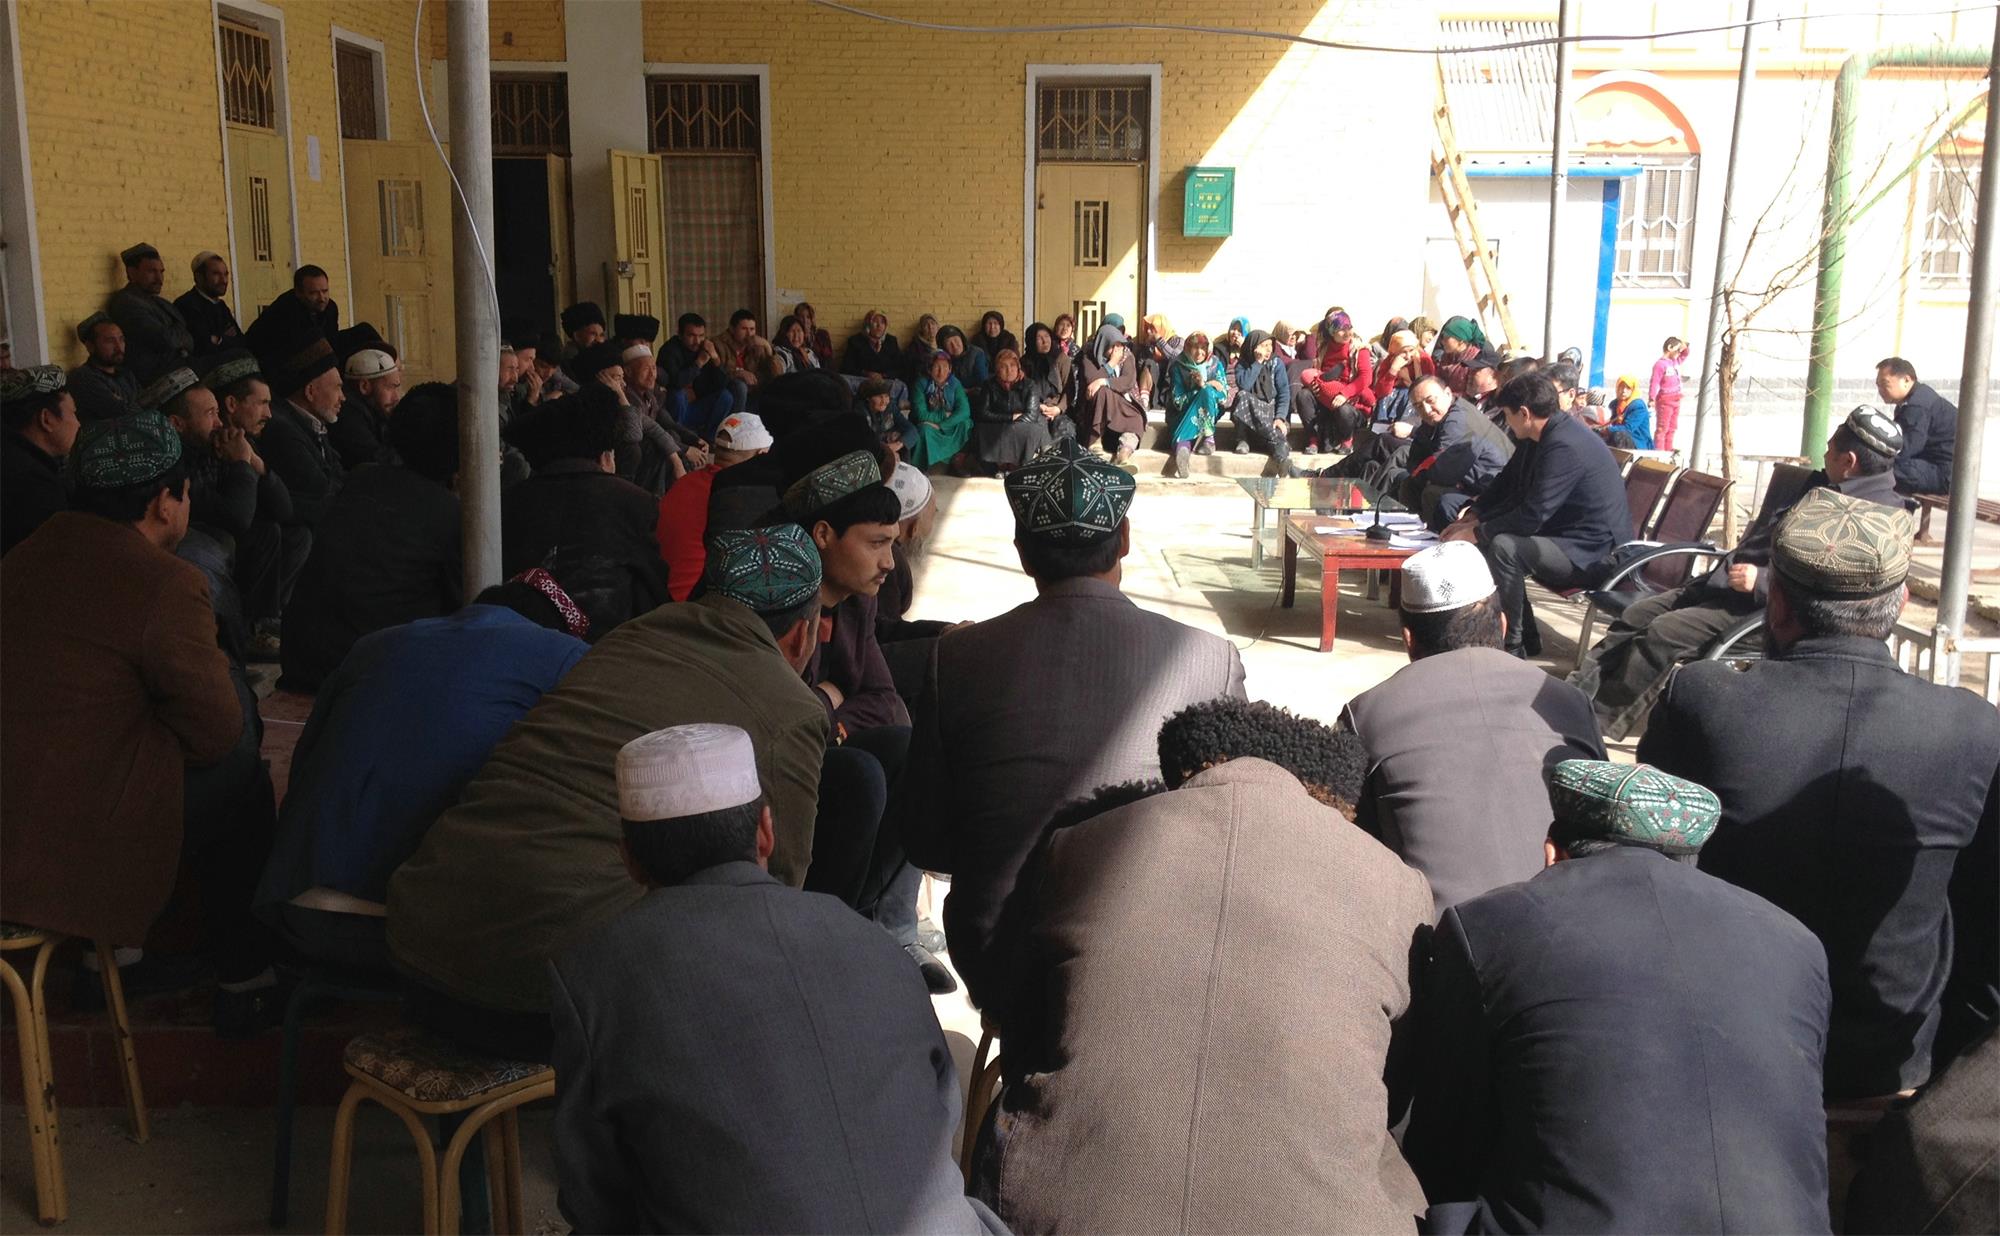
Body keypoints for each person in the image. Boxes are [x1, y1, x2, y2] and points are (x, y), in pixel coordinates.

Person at [974, 700, 1431, 1234]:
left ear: (1185, 769)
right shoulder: (1398, 885)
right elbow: (1398, 1088)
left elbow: (1022, 1035)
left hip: (1049, 1213)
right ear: (1336, 801)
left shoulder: (1079, 843)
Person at [386, 526, 830, 1057]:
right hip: (536, 996)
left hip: (416, 946)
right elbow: (780, 888)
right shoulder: (792, 708)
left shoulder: (624, 639)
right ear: (802, 635)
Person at [549, 723, 1003, 1235]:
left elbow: (594, 1201)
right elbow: (939, 1109)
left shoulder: (594, 975)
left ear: (629, 860)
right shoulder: (873, 941)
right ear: (765, 832)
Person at [1640, 487, 1998, 1104]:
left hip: (1722, 1044)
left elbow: (1646, 868)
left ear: (1777, 603)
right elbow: (1985, 926)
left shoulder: (1703, 699)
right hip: (1893, 1060)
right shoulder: (1973, 728)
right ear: (1899, 604)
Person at [1405, 760, 1832, 1234]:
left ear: (1552, 852)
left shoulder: (1486, 926)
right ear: (1691, 857)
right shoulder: (1798, 943)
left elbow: (1445, 1143)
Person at [902, 438, 1247, 1009]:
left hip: (1000, 958)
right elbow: (1230, 833)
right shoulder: (1210, 660)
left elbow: (926, 841)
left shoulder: (957, 657)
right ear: (1125, 539)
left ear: (1022, 553)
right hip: (1155, 958)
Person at [1, 413, 247, 1011]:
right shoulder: (165, 582)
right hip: (61, 837)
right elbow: (215, 732)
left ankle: (114, 953)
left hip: (12, 808)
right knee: (239, 777)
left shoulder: (21, 556)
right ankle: (245, 975)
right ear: (165, 503)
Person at [257, 565, 605, 972]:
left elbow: (305, 761)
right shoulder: (565, 657)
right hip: (421, 935)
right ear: (555, 630)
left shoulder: (374, 644)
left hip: (297, 910)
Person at [1574, 406, 1909, 738]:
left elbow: (1842, 590)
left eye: (1830, 448)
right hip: (1723, 585)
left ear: (1849, 461)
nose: (1824, 453)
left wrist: (1761, 582)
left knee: (1662, 634)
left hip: (1768, 611)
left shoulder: (1876, 518)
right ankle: (1575, 696)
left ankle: (1598, 722)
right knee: (1636, 615)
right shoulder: (1823, 485)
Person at [1341, 543, 1604, 912]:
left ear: (1408, 639)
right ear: (1503, 625)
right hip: (1580, 924)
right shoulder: (1569, 702)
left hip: (1442, 938)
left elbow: (1351, 850)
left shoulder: (1367, 713)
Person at [279, 383, 462, 691]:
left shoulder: (361, 479)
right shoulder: (448, 513)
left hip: (304, 661)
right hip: (368, 677)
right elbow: (467, 609)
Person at [1443, 373, 1628, 657]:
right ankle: (1525, 634)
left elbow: (1533, 514)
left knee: (1504, 546)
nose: (1507, 422)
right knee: (1487, 534)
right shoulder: (1539, 434)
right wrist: (1475, 515)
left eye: (1508, 415)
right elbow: (1508, 483)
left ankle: (1512, 643)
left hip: (1592, 552)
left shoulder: (1565, 445)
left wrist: (1478, 531)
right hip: (1563, 536)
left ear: (1524, 413)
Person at [503, 384, 667, 627]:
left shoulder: (510, 501)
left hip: (518, 635)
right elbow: (654, 591)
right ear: (605, 456)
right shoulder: (636, 503)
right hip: (605, 642)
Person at [658, 411, 773, 600]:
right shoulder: (742, 500)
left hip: (655, 594)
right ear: (761, 456)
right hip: (693, 606)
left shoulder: (684, 483)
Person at [257, 332, 347, 529]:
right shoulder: (283, 432)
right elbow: (321, 490)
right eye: (337, 388)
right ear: (310, 391)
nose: (343, 397)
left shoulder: (310, 422)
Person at [1401, 375, 1513, 528]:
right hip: (1466, 484)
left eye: (1430, 400)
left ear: (1448, 393)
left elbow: (1444, 473)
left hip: (1492, 492)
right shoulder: (1435, 418)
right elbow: (1415, 459)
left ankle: (1433, 538)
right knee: (1409, 485)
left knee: (1434, 493)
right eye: (1418, 406)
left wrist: (1422, 475)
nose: (1426, 410)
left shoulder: (1457, 420)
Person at [1, 366, 79, 554]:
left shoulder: (10, 456)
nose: (78, 423)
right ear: (47, 419)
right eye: (73, 413)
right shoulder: (35, 486)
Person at [107, 242, 195, 384]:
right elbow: (165, 340)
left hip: (181, 368)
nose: (159, 279)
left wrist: (179, 335)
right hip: (157, 375)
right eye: (151, 272)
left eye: (161, 272)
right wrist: (180, 334)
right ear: (132, 273)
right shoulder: (126, 302)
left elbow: (190, 338)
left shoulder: (161, 302)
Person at [1877, 355, 1957, 495]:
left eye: (1885, 384)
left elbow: (1904, 449)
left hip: (1944, 474)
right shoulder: (1916, 398)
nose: (1881, 390)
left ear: (1906, 380)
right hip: (1932, 464)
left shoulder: (1917, 407)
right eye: (1878, 385)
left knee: (1881, 470)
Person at [1298, 309, 1375, 455]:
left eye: (1349, 327)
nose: (1347, 333)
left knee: (1344, 410)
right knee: (1303, 395)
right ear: (1332, 332)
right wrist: (1314, 385)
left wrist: (1344, 394)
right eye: (1341, 329)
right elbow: (1319, 373)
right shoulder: (1324, 349)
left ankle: (1347, 441)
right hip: (1326, 398)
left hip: (1351, 401)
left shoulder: (1359, 350)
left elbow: (1365, 377)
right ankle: (1313, 440)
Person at [1230, 329, 1299, 475]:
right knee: (1242, 396)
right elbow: (1245, 385)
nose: (1268, 349)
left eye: (1270, 345)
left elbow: (1284, 393)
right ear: (1252, 347)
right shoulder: (1242, 364)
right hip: (1250, 417)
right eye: (1263, 345)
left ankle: (1282, 461)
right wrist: (1258, 363)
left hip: (1271, 415)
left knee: (1276, 436)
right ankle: (1242, 439)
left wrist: (1280, 418)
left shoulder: (1276, 363)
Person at [973, 347, 1054, 472]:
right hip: (999, 424)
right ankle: (998, 466)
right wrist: (1010, 418)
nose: (1009, 370)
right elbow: (983, 413)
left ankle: (1017, 465)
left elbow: (1032, 415)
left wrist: (1012, 422)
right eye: (1003, 366)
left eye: (1012, 365)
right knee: (982, 429)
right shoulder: (989, 385)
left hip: (1023, 424)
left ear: (1018, 367)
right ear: (997, 369)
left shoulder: (1029, 385)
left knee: (1030, 429)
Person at [1076, 323, 1147, 465]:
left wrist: (1105, 381)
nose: (1117, 350)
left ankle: (1124, 453)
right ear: (1103, 344)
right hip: (1096, 407)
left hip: (1120, 402)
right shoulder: (1089, 357)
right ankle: (1095, 441)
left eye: (1119, 345)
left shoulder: (1127, 356)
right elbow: (1091, 384)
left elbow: (1128, 381)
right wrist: (1111, 364)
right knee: (1101, 391)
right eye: (1113, 346)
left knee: (1136, 418)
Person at [244, 265, 340, 367]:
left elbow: (332, 340)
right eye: (313, 293)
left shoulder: (330, 308)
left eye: (325, 291)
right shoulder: (285, 310)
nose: (322, 298)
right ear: (298, 293)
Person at [1162, 330, 1227, 478]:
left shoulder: (1215, 365)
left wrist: (1204, 386)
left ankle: (1183, 445)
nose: (1199, 352)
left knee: (1207, 392)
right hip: (1182, 412)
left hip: (1210, 411)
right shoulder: (1178, 366)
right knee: (1204, 392)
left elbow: (1223, 397)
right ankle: (1200, 443)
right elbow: (1178, 401)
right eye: (1195, 348)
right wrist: (1198, 389)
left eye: (1203, 348)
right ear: (1187, 348)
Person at [656, 312, 734, 436]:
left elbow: (722, 384)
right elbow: (676, 383)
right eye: (691, 335)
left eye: (701, 336)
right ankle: (678, 437)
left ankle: (709, 438)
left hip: (697, 404)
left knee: (726, 396)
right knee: (678, 395)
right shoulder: (669, 350)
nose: (697, 341)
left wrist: (715, 357)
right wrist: (698, 363)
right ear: (680, 335)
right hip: (674, 409)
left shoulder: (705, 348)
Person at [327, 345, 402, 470]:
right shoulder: (348, 415)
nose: (396, 397)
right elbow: (379, 462)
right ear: (364, 386)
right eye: (390, 387)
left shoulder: (375, 411)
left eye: (396, 388)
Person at [68, 313, 143, 421]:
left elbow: (145, 403)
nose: (118, 347)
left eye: (121, 339)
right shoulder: (83, 378)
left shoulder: (126, 375)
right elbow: (122, 413)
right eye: (110, 341)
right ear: (90, 346)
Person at [908, 348, 972, 473]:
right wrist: (944, 415)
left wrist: (941, 425)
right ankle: (922, 467)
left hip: (945, 424)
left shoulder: (955, 383)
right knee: (924, 430)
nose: (941, 372)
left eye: (945, 367)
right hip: (928, 424)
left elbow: (964, 411)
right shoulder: (920, 384)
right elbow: (921, 414)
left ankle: (956, 462)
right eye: (937, 367)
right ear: (929, 369)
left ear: (950, 369)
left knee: (965, 424)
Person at [174, 250, 243, 358]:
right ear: (199, 277)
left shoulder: (221, 306)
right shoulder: (186, 305)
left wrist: (218, 339)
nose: (224, 280)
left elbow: (240, 341)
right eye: (216, 274)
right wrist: (223, 339)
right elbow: (201, 347)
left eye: (225, 274)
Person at [1020, 322, 1074, 446]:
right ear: (1031, 341)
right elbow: (1022, 390)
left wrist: (1058, 409)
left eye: (1047, 336)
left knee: (1064, 430)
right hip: (1034, 408)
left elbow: (1069, 389)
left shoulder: (1061, 359)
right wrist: (1038, 406)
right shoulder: (1024, 362)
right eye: (1039, 338)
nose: (1045, 341)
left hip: (1058, 409)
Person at [1434, 314, 1496, 398]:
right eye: (1442, 337)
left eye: (1446, 338)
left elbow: (1471, 393)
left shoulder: (1475, 361)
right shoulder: (1447, 357)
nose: (1442, 341)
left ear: (1461, 341)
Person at [859, 377, 915, 462]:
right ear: (868, 398)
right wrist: (887, 451)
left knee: (900, 438)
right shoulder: (861, 411)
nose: (884, 401)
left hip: (886, 446)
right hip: (869, 452)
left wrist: (898, 444)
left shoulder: (890, 407)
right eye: (879, 397)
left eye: (886, 396)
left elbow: (911, 429)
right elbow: (866, 441)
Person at [841, 309, 903, 383]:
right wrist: (866, 373)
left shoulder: (891, 341)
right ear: (868, 324)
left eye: (882, 322)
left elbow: (899, 367)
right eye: (875, 321)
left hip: (885, 381)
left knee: (901, 386)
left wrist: (882, 376)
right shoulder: (855, 341)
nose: (879, 326)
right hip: (861, 380)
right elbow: (847, 367)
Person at [1649, 336, 1685, 452]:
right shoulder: (1660, 364)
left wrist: (1684, 346)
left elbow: (1685, 354)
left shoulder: (1675, 362)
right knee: (1662, 427)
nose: (1679, 353)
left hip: (1676, 399)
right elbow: (1655, 382)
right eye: (1677, 350)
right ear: (1670, 348)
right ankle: (1659, 451)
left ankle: (1669, 449)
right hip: (1665, 400)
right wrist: (1652, 397)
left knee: (1672, 427)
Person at [1603, 373, 1653, 449]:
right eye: (1621, 387)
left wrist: (1608, 430)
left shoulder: (1638, 406)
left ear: (1633, 390)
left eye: (1628, 388)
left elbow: (1628, 428)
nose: (1623, 391)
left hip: (1637, 441)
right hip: (1619, 437)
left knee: (1619, 435)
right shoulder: (1614, 404)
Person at [937, 324, 991, 390]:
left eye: (956, 340)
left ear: (962, 339)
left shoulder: (977, 353)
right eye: (948, 343)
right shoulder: (942, 359)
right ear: (943, 347)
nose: (954, 346)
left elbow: (982, 382)